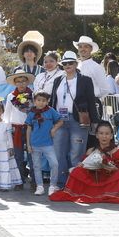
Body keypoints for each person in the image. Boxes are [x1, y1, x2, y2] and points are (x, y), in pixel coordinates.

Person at [50, 51, 99, 194]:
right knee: (59, 153)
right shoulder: (58, 80)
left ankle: (76, 183)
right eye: (64, 64)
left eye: (70, 63)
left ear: (76, 64)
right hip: (60, 119)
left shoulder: (85, 80)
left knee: (76, 153)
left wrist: (95, 122)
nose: (67, 66)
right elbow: (54, 101)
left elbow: (91, 101)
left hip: (78, 120)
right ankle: (61, 183)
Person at [51, 121, 119, 204]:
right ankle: (94, 193)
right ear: (97, 135)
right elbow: (84, 165)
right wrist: (81, 165)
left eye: (107, 134)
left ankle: (109, 194)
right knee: (76, 171)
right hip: (93, 181)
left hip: (110, 181)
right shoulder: (91, 150)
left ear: (111, 136)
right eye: (101, 133)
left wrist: (115, 169)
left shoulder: (118, 151)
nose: (104, 136)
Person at [26, 91, 63, 196]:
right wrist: (28, 145)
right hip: (34, 144)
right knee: (37, 166)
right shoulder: (31, 113)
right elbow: (28, 129)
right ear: (34, 101)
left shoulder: (51, 111)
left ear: (47, 101)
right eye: (38, 100)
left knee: (54, 164)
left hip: (48, 144)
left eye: (44, 100)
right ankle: (40, 186)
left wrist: (54, 129)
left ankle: (52, 185)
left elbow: (60, 121)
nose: (41, 103)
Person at [5, 67, 34, 186]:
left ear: (27, 82)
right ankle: (19, 180)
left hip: (30, 129)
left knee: (32, 155)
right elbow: (7, 114)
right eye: (18, 81)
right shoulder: (11, 96)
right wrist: (7, 129)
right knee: (18, 156)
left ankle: (34, 181)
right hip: (16, 129)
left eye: (23, 81)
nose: (21, 84)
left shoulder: (33, 95)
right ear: (15, 83)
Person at [73, 36, 113, 100]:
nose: (82, 49)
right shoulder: (76, 66)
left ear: (91, 49)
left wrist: (92, 98)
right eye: (80, 47)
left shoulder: (96, 67)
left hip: (91, 102)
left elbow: (105, 89)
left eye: (86, 46)